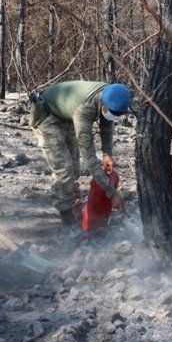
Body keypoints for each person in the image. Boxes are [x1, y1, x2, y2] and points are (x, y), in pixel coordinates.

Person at [30, 81, 131, 233]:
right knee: (64, 171)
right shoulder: (85, 109)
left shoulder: (110, 94)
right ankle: (68, 220)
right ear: (103, 103)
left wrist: (107, 154)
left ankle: (75, 210)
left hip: (65, 116)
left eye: (118, 114)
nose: (115, 116)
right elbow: (89, 158)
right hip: (47, 117)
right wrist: (111, 193)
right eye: (113, 112)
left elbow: (106, 124)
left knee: (75, 171)